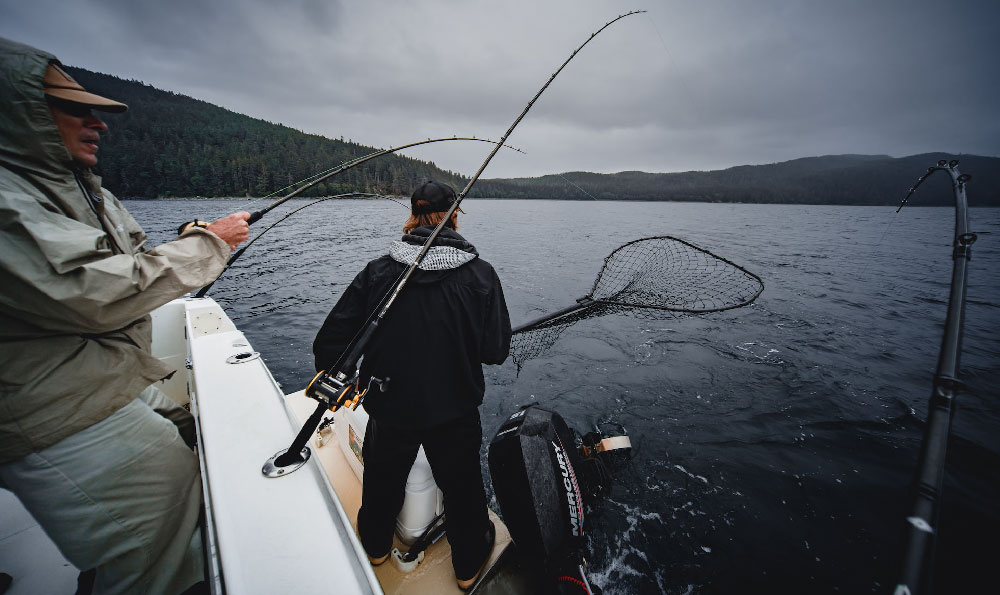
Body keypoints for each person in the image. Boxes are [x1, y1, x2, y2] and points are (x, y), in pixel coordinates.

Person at [0, 38, 250, 594]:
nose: (98, 124)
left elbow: (124, 266)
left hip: (104, 376)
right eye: (76, 108)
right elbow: (88, 290)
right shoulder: (9, 194)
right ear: (20, 114)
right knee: (154, 557)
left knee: (188, 445)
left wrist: (191, 242)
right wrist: (209, 244)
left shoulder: (79, 186)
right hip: (57, 409)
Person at [313, 180, 511, 590]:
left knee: (382, 480)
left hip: (389, 404)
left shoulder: (379, 271)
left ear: (413, 215)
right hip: (453, 409)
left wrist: (330, 373)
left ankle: (375, 546)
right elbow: (495, 351)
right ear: (454, 217)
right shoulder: (481, 276)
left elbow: (331, 340)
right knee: (462, 488)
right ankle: (468, 563)